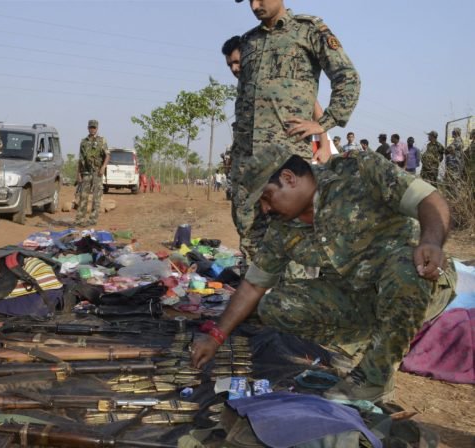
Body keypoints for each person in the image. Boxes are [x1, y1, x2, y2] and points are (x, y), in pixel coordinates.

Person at [191, 144, 455, 402]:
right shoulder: (282, 229)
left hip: (415, 283)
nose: (265, 209)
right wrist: (216, 336)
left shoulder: (359, 170)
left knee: (406, 268)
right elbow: (252, 286)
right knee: (274, 306)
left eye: (267, 197)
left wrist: (431, 242)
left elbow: (429, 200)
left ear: (289, 178)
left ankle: (376, 378)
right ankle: (362, 349)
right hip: (360, 300)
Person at [228, 0, 361, 263]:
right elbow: (244, 101)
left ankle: (296, 290)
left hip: (286, 160)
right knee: (251, 237)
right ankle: (256, 288)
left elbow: (347, 77)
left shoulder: (308, 30)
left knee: (294, 238)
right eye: (249, 1)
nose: (255, 5)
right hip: (247, 163)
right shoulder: (248, 42)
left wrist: (326, 123)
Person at [75, 119, 109, 227]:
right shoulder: (83, 142)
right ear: (88, 128)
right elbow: (80, 158)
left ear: (97, 128)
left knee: (96, 197)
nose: (92, 129)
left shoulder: (102, 140)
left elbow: (107, 155)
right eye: (91, 127)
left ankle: (92, 220)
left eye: (94, 127)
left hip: (97, 172)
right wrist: (78, 173)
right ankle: (80, 220)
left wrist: (103, 167)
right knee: (83, 196)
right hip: (85, 172)